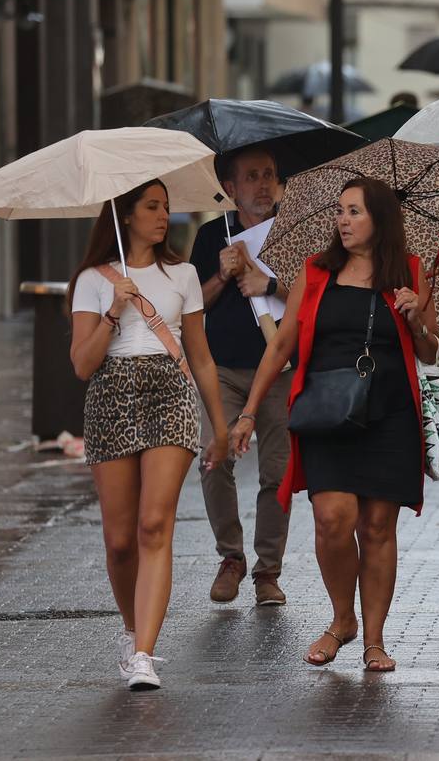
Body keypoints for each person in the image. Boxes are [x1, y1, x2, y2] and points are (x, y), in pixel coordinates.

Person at [230, 177, 438, 673]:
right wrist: (248, 412)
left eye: (354, 211)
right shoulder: (316, 271)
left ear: (380, 219)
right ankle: (342, 619)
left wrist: (415, 320)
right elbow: (281, 347)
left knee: (378, 527)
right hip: (328, 412)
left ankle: (374, 639)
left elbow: (430, 351)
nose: (342, 220)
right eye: (340, 211)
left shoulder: (409, 272)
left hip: (390, 416)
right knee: (332, 520)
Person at [68, 179, 230, 690]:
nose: (164, 216)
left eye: (166, 207)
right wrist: (115, 309)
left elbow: (201, 357)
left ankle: (144, 654)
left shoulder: (182, 274)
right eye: (152, 207)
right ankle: (131, 628)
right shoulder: (92, 280)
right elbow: (81, 364)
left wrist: (220, 426)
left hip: (169, 392)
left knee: (154, 525)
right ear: (126, 216)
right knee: (120, 542)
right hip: (111, 393)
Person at [188, 148, 292, 607]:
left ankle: (268, 571)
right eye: (251, 177)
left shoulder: (291, 230)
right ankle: (231, 557)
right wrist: (221, 273)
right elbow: (193, 306)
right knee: (214, 459)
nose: (263, 185)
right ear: (230, 189)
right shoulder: (213, 234)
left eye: (269, 174)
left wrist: (269, 285)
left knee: (278, 473)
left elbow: (316, 294)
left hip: (281, 370)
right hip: (223, 371)